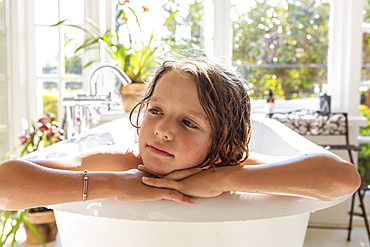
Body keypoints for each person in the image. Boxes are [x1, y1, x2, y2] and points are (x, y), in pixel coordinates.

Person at [0, 58, 361, 210]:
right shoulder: (125, 162)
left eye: (189, 122)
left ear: (226, 145)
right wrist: (111, 185)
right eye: (155, 110)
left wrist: (225, 178)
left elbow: (342, 178)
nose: (161, 130)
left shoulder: (232, 165)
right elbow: (5, 184)